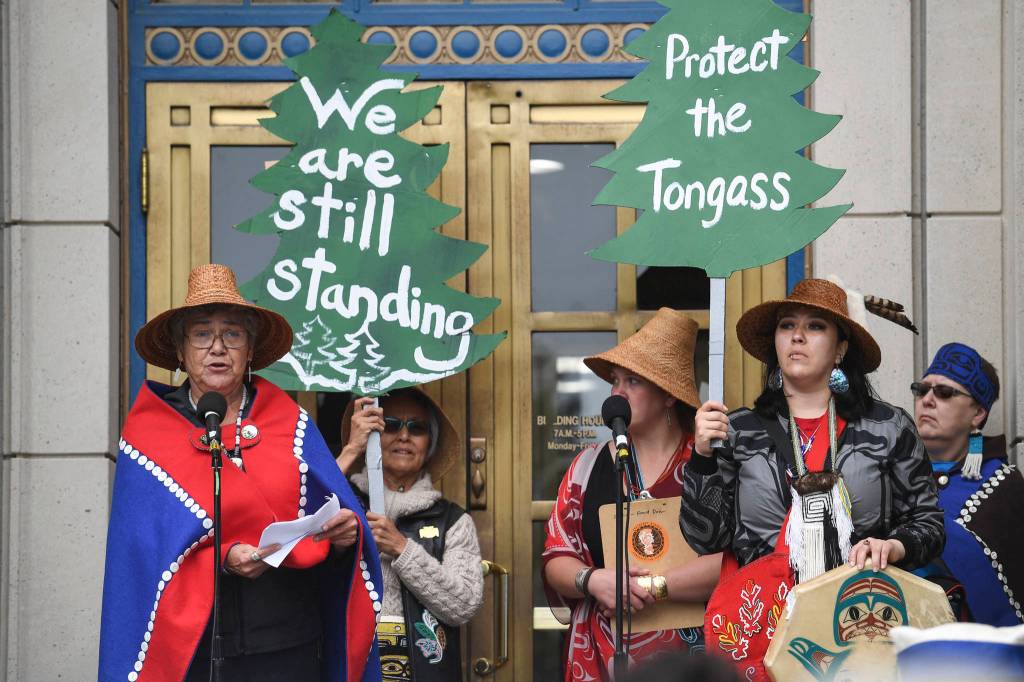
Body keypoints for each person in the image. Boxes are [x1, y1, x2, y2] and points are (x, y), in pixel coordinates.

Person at [98, 264, 382, 682]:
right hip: (194, 649)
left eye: (232, 334)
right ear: (180, 351)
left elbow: (330, 514)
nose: (217, 347)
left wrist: (343, 537)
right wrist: (223, 558)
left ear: (249, 351)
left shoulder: (291, 422)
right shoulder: (148, 435)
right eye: (201, 334)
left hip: (290, 644)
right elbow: (141, 554)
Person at [681, 279, 944, 677]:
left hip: (861, 626)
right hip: (761, 631)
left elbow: (930, 523)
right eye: (787, 325)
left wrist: (893, 546)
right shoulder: (737, 430)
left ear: (841, 348)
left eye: (816, 326)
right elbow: (705, 538)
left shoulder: (889, 427)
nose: (798, 336)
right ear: (775, 343)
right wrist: (701, 457)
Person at [542, 308, 722, 681]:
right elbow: (556, 557)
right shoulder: (587, 466)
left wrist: (652, 588)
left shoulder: (705, 463)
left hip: (689, 659)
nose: (618, 393)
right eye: (615, 380)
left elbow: (733, 560)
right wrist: (592, 580)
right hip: (599, 654)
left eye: (633, 382)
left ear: (669, 395)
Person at [338, 386, 484, 682]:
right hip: (352, 666)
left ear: (430, 442)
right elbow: (297, 542)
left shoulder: (453, 520)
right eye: (390, 425)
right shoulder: (340, 504)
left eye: (416, 427)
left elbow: (463, 605)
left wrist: (403, 548)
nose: (403, 436)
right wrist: (351, 450)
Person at [912, 342, 1024, 626]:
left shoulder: (1004, 487)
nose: (927, 399)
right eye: (921, 389)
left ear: (977, 414)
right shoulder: (892, 473)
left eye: (945, 392)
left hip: (974, 656)